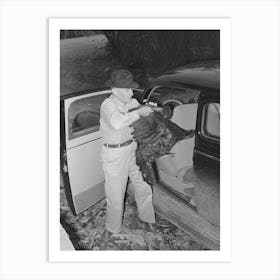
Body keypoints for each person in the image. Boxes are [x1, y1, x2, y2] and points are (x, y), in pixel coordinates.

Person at [99, 69, 156, 241]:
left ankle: (147, 220)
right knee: (115, 194)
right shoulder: (107, 105)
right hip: (114, 154)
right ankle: (112, 229)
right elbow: (117, 123)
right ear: (115, 90)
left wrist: (151, 109)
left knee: (143, 184)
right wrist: (139, 112)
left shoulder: (131, 101)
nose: (132, 92)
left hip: (132, 149)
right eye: (127, 89)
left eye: (132, 89)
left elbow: (140, 112)